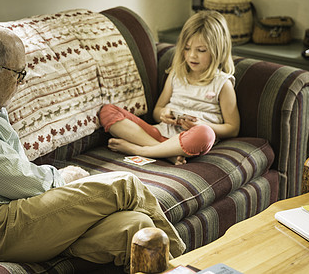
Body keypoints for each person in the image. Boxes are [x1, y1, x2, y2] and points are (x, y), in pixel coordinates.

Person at [0, 25, 185, 271]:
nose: (21, 83)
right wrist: (64, 178)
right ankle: (188, 266)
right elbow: (17, 180)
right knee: (125, 185)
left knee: (136, 228)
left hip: (18, 212)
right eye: (19, 74)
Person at [99, 10, 240, 165]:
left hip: (188, 141)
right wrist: (164, 114)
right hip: (160, 133)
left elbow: (232, 128)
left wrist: (202, 124)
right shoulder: (176, 75)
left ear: (218, 51)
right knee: (107, 112)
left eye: (201, 50)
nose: (192, 55)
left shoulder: (222, 84)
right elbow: (157, 111)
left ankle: (142, 150)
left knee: (205, 134)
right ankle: (164, 152)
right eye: (187, 48)